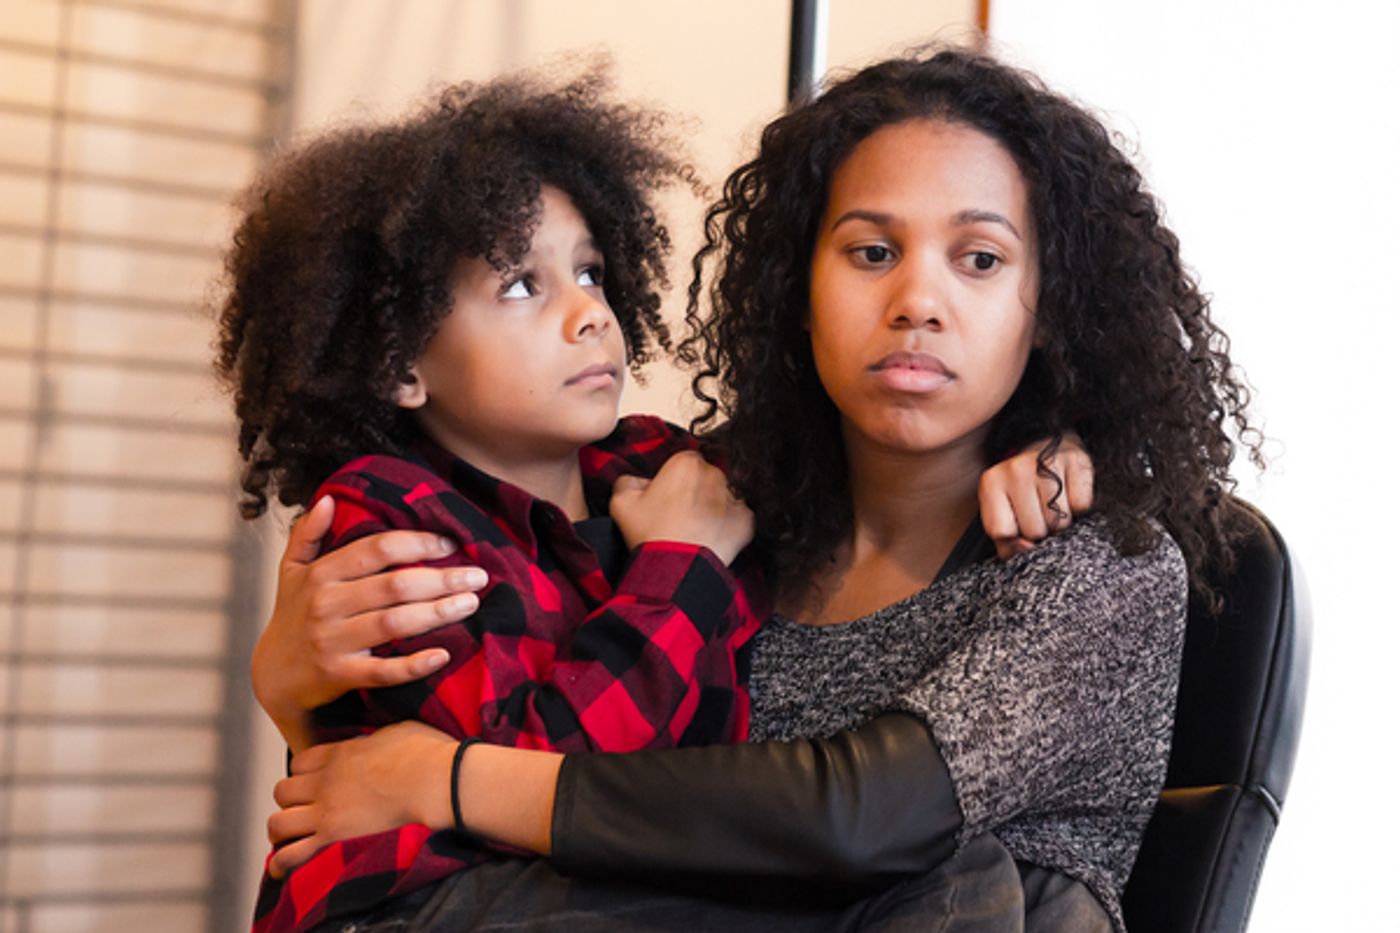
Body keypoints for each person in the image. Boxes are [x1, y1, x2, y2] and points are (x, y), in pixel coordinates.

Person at [256, 46, 1248, 932]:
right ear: (796, 289)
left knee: (963, 882)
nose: (916, 303)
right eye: (869, 252)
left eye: (979, 260)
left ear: (1050, 308)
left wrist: (448, 781)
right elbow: (445, 742)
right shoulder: (731, 506)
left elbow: (857, 817)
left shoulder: (1088, 568)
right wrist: (292, 693)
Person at [215, 73, 771, 933]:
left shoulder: (657, 465)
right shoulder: (392, 523)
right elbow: (533, 781)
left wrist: (1047, 445)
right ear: (402, 365)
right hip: (433, 906)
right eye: (521, 284)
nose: (590, 312)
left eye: (590, 271)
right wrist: (679, 567)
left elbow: (833, 464)